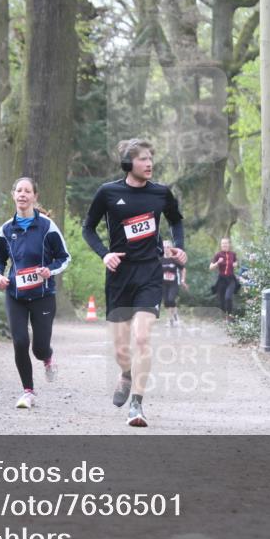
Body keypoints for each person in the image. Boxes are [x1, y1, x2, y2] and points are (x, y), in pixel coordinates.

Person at [82, 138, 186, 427]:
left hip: (149, 273)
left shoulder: (161, 193)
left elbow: (176, 221)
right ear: (129, 163)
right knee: (120, 348)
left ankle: (137, 405)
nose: (149, 163)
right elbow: (87, 228)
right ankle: (125, 373)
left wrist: (178, 245)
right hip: (119, 276)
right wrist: (104, 255)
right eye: (142, 159)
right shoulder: (108, 192)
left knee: (142, 338)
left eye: (151, 158)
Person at [0, 177, 70, 409]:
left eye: (27, 191)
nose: (23, 195)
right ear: (13, 195)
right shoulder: (6, 229)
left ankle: (47, 357)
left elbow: (64, 257)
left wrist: (50, 270)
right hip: (15, 295)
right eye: (19, 191)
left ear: (35, 197)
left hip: (43, 295)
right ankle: (28, 391)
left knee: (39, 347)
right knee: (20, 341)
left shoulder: (46, 226)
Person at [160, 239, 188, 327]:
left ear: (171, 248)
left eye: (168, 247)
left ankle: (170, 320)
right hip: (164, 284)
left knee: (171, 299)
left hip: (174, 284)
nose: (166, 249)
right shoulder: (160, 260)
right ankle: (174, 316)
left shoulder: (175, 259)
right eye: (164, 247)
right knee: (167, 302)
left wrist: (183, 280)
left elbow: (183, 269)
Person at [209, 237, 238, 317]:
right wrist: (218, 262)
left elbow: (235, 263)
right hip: (221, 280)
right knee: (222, 301)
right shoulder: (218, 255)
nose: (224, 245)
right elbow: (210, 267)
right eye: (223, 243)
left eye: (226, 243)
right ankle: (223, 318)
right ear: (221, 245)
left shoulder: (233, 254)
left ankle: (229, 316)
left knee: (228, 298)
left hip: (231, 279)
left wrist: (235, 264)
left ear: (229, 244)